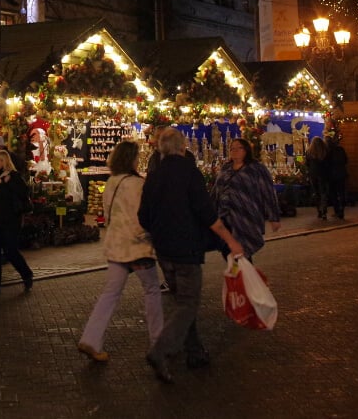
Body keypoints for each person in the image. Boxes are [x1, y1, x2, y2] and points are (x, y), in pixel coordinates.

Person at [137, 127, 244, 384]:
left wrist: (158, 231)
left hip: (164, 250)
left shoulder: (153, 176)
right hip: (187, 249)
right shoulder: (190, 173)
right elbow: (207, 213)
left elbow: (143, 216)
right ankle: (160, 350)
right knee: (188, 303)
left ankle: (194, 351)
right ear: (182, 147)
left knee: (183, 301)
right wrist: (230, 240)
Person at [78, 141, 164, 362]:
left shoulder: (111, 182)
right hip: (136, 245)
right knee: (152, 290)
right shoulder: (137, 184)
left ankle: (91, 337)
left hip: (116, 244)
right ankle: (158, 341)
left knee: (111, 293)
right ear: (132, 159)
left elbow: (107, 214)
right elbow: (145, 215)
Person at [210, 137, 281, 263]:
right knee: (229, 250)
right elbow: (216, 190)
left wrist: (273, 217)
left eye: (239, 148)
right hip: (225, 217)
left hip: (246, 216)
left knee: (242, 252)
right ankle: (243, 278)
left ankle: (245, 278)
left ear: (246, 150)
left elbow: (268, 192)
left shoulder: (256, 168)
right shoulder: (226, 168)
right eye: (232, 149)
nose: (235, 151)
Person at [0, 149, 34, 296]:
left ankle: (26, 274)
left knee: (10, 251)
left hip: (8, 222)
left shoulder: (13, 177)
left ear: (3, 162)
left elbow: (24, 193)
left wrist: (9, 184)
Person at [305, 136, 330, 220]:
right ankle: (324, 211)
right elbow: (328, 163)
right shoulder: (325, 151)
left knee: (316, 193)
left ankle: (319, 210)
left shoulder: (309, 152)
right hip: (323, 174)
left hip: (313, 175)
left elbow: (307, 164)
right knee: (323, 193)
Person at [326, 135, 350, 218]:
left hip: (332, 175)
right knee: (341, 192)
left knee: (333, 194)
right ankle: (342, 209)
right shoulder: (341, 150)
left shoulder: (328, 151)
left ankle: (337, 210)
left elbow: (326, 164)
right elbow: (346, 160)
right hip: (342, 174)